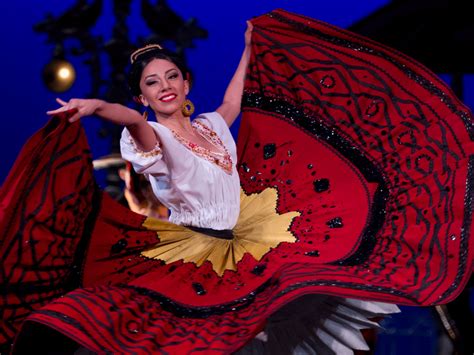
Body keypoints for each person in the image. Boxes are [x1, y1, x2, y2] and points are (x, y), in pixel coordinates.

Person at [1, 9, 473, 354]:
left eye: (171, 76)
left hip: (252, 230)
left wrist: (250, 50)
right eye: (151, 82)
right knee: (214, 332)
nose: (164, 86)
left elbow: (232, 101)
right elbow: (128, 119)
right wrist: (93, 106)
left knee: (308, 285)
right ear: (141, 94)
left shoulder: (208, 124)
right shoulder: (151, 137)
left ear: (185, 82)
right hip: (197, 249)